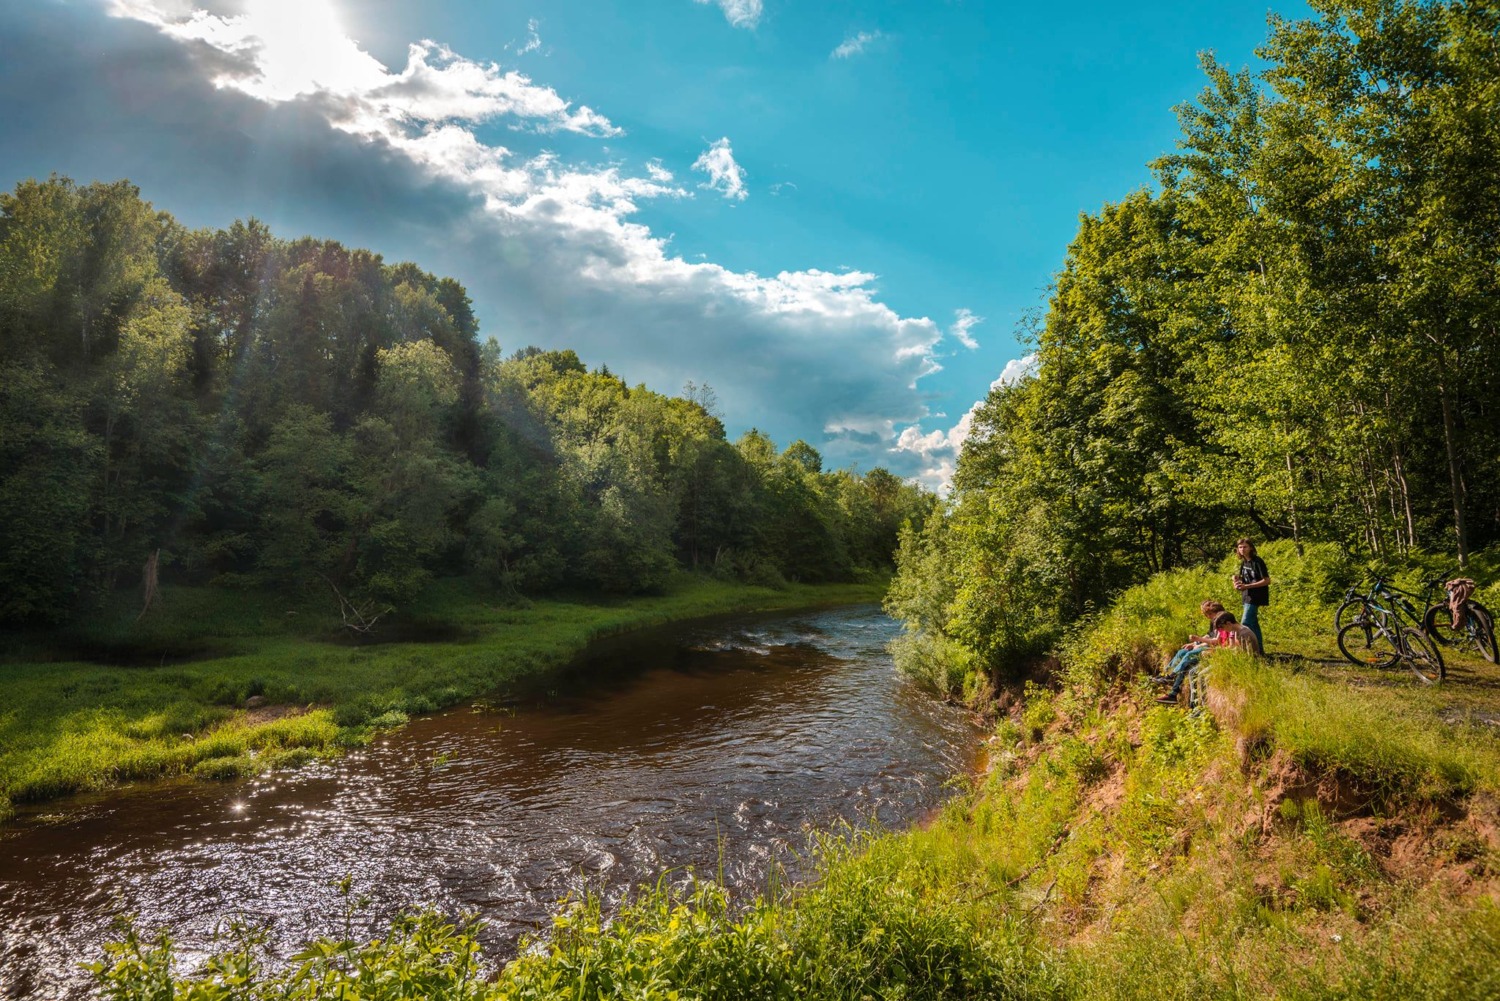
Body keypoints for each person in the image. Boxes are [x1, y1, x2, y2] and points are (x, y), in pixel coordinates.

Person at [1232, 538, 1270, 651]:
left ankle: (1249, 650)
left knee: (1246, 622)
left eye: (1245, 547)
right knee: (1253, 624)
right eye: (1240, 547)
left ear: (1251, 548)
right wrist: (1236, 580)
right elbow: (1244, 578)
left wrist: (1247, 586)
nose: (1242, 549)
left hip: (1256, 596)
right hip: (1246, 595)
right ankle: (1259, 650)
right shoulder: (1244, 562)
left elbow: (1267, 580)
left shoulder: (1257, 562)